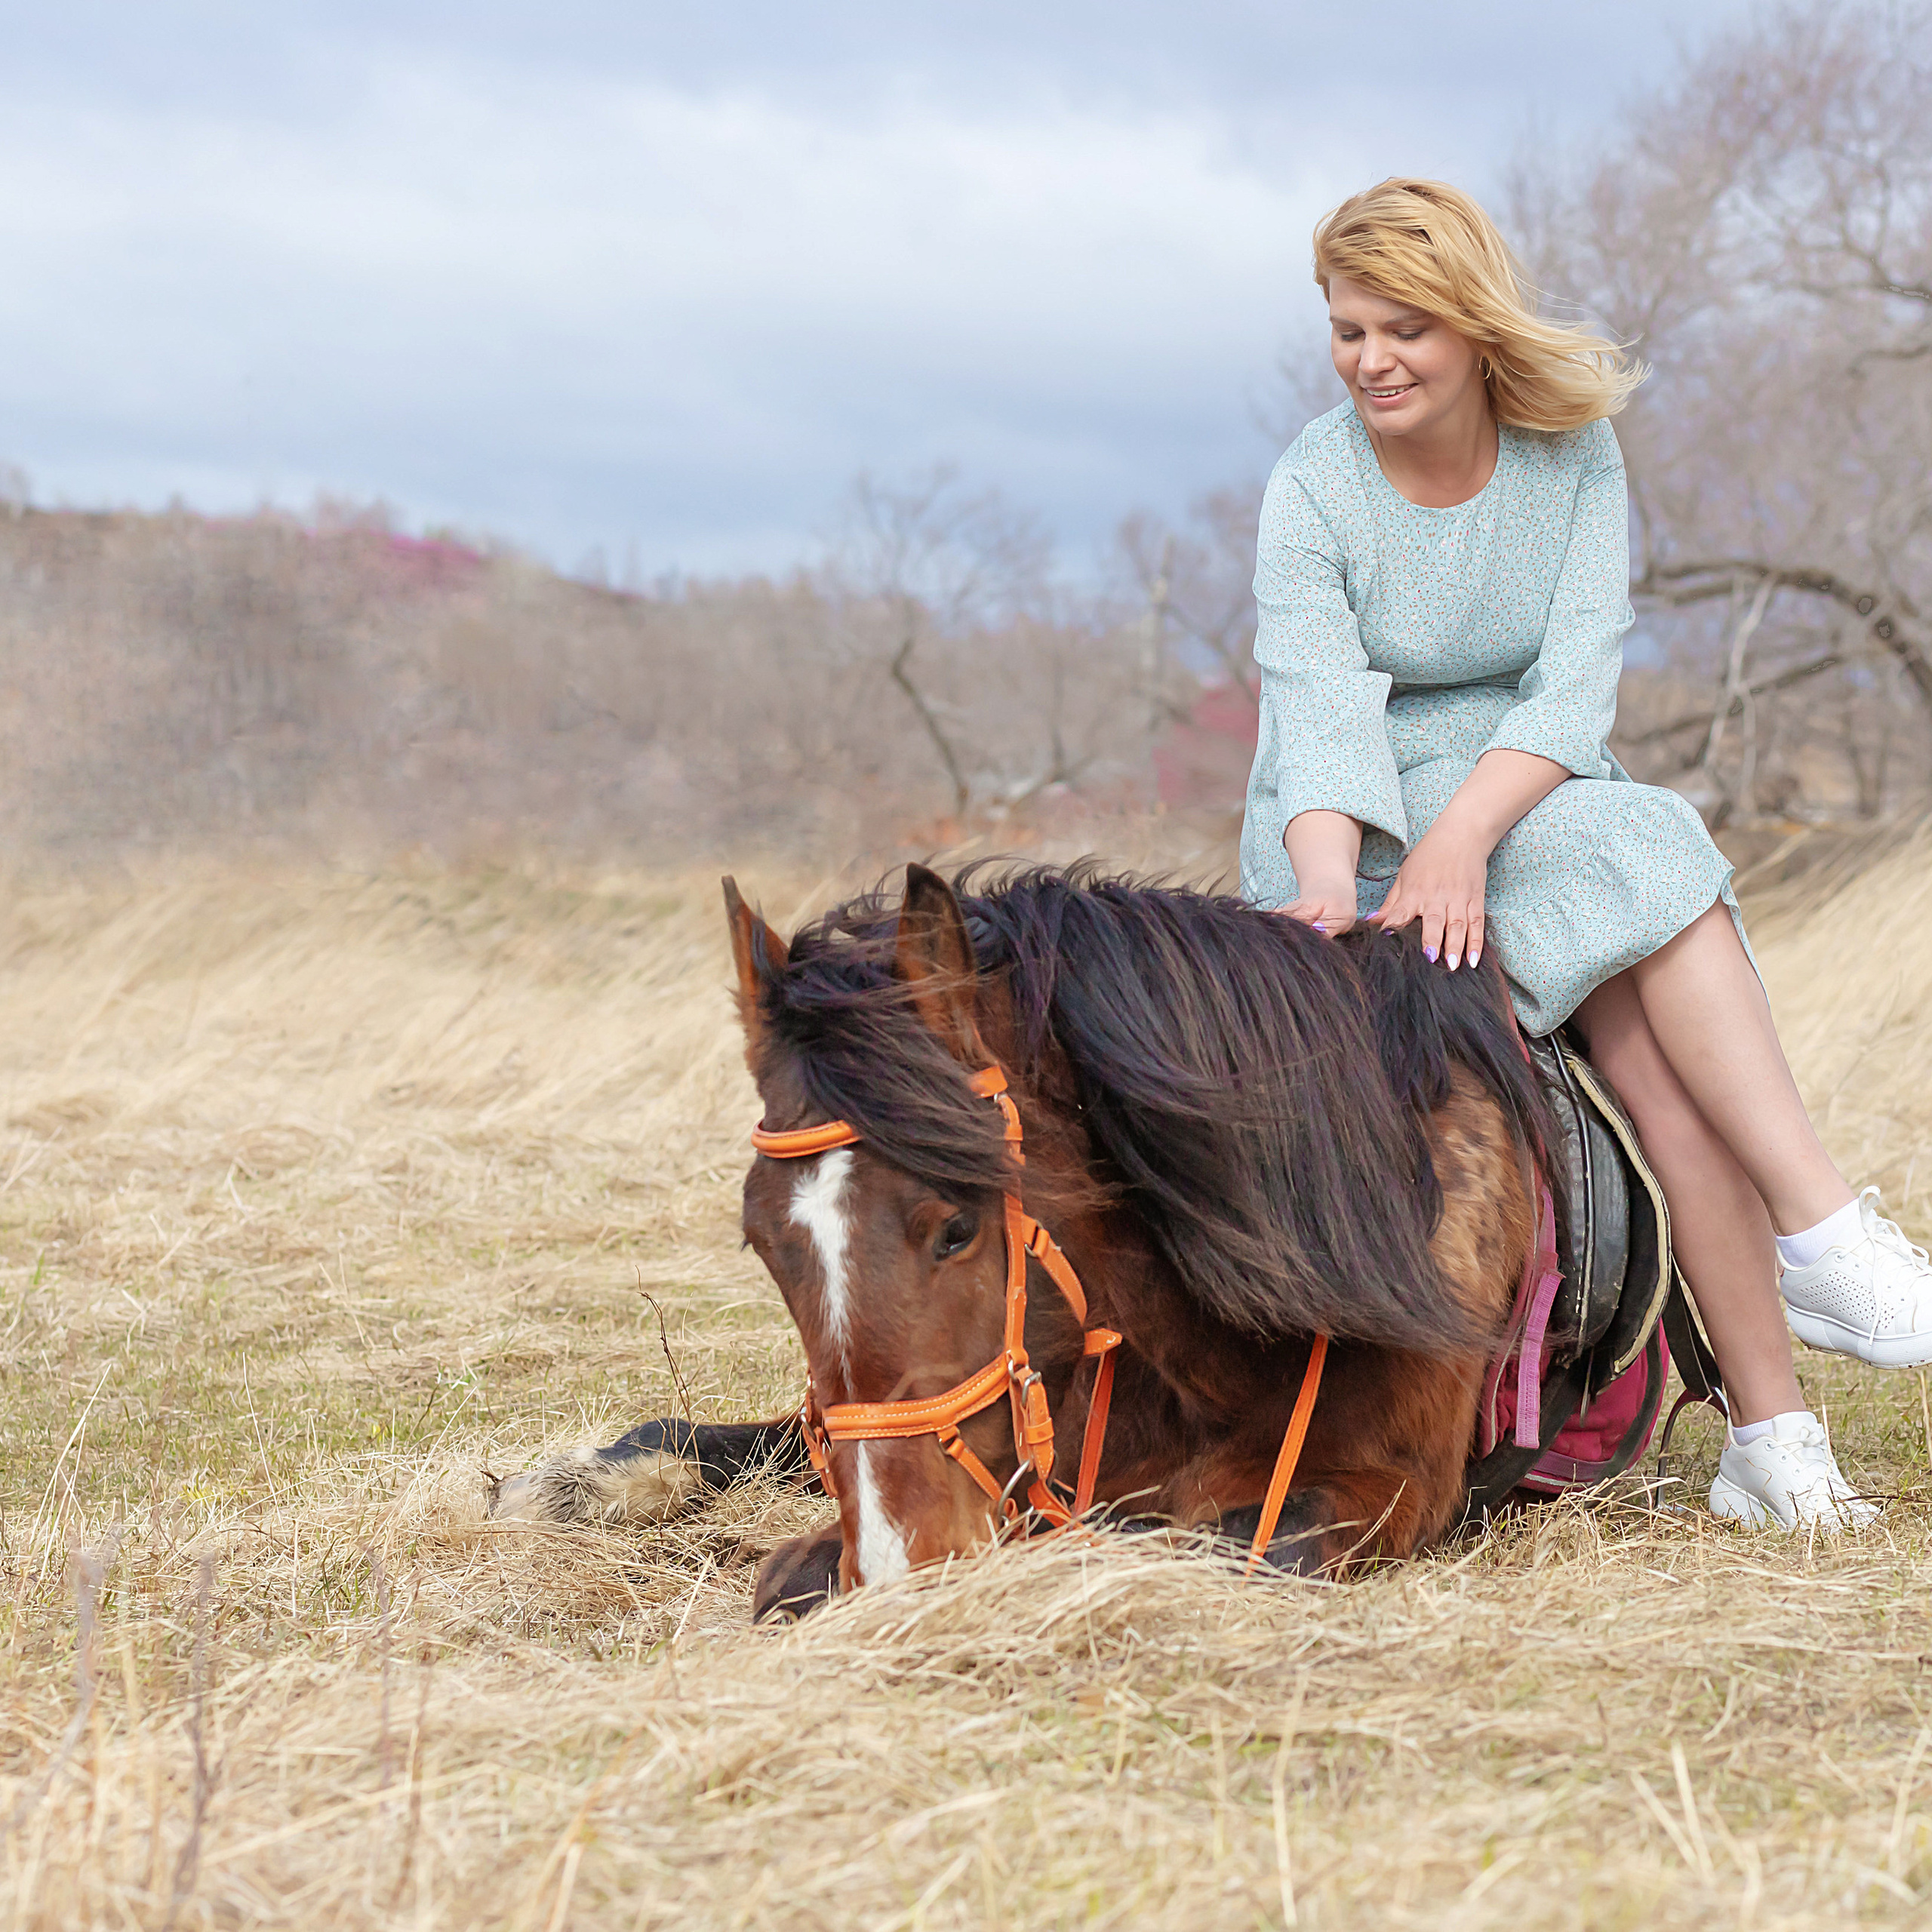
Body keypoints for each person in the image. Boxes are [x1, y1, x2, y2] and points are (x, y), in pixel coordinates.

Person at [1241, 177, 1932, 1531]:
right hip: (1361, 820)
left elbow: (1572, 694)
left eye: (1403, 330)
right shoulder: (1314, 485)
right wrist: (1325, 888)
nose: (1371, 361)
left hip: (1527, 800)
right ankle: (1819, 1251)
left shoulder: (1571, 456)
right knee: (1650, 869)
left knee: (1662, 1046)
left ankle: (1779, 1436)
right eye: (1347, 330)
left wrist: (1469, 833)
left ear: (1472, 324)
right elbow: (1316, 712)